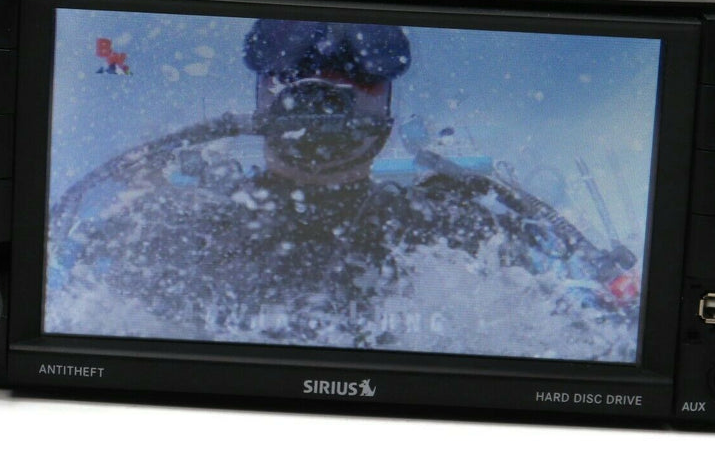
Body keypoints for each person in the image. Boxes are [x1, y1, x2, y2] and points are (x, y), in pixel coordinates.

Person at [48, 19, 639, 356]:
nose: (323, 109)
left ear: (386, 116)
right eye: (298, 87)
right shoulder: (170, 230)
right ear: (260, 104)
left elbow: (597, 328)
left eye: (355, 90)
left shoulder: (461, 225)